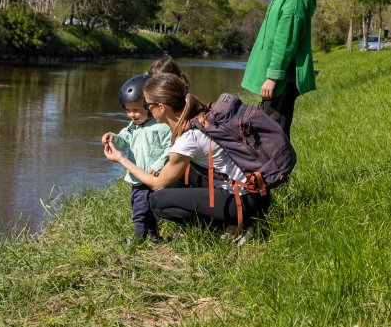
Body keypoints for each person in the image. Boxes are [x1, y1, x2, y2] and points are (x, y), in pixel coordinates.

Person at [103, 72, 271, 235]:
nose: (146, 109)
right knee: (176, 175)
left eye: (147, 105)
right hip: (256, 192)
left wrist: (121, 159)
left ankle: (229, 227)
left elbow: (157, 184)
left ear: (161, 108)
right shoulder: (199, 116)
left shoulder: (188, 139)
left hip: (244, 202)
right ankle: (229, 221)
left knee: (157, 201)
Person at [241, 0, 317, 136]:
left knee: (273, 137)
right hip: (277, 79)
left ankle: (278, 168)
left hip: (282, 80)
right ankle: (273, 167)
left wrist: (273, 77)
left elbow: (286, 41)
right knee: (269, 135)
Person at [100, 74, 173, 243]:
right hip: (136, 178)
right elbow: (122, 139)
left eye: (135, 110)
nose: (131, 115)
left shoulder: (161, 126)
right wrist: (111, 137)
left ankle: (139, 240)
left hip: (152, 177)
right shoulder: (133, 126)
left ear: (149, 106)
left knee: (143, 211)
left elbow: (171, 149)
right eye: (128, 110)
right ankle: (152, 237)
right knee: (139, 207)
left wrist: (158, 163)